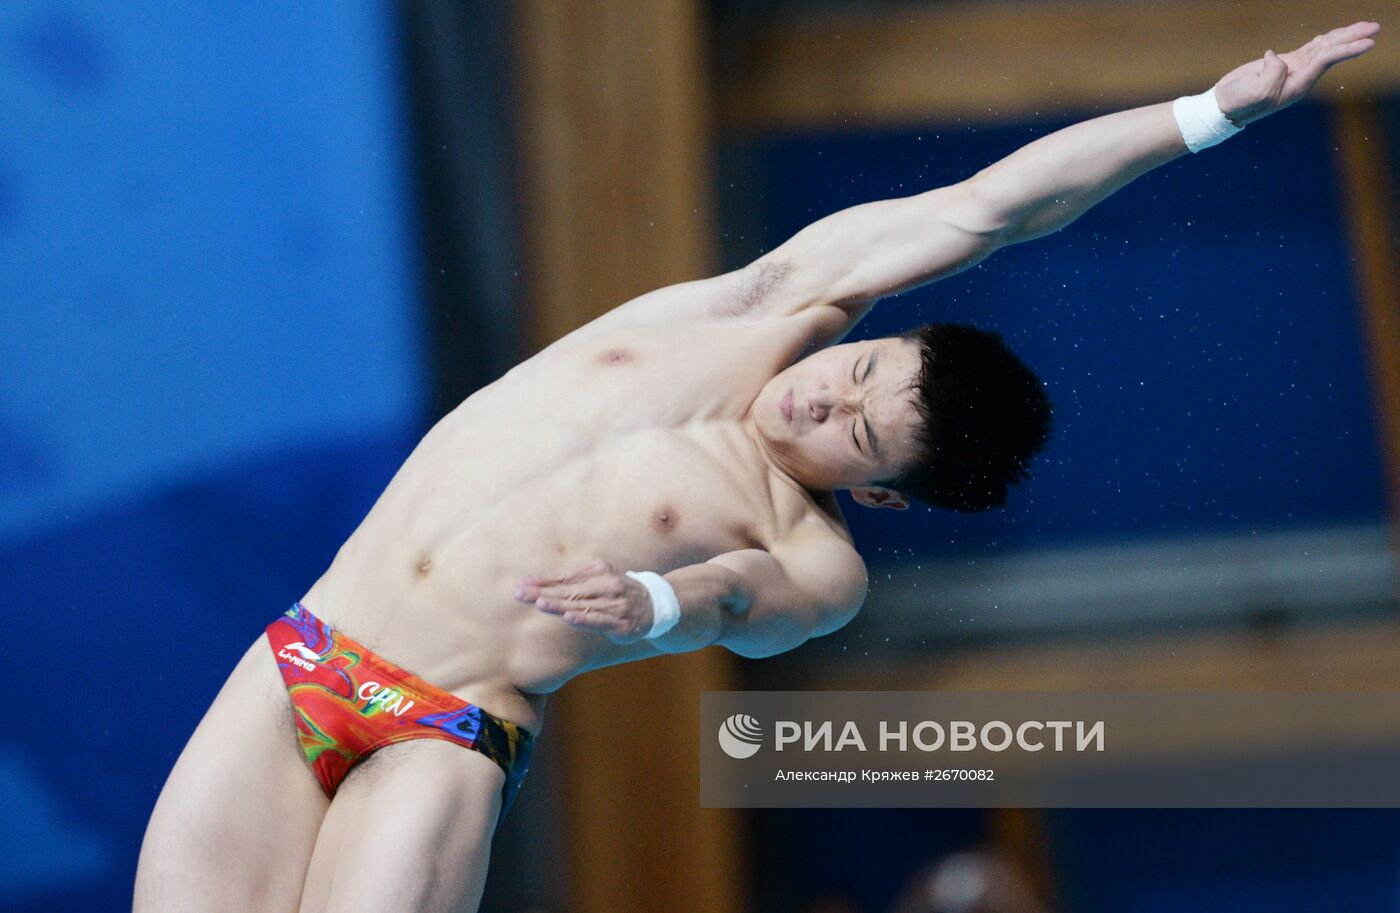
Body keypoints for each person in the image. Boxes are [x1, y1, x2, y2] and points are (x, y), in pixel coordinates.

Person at [134, 21, 1379, 913]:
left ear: (878, 490)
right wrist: (1208, 114)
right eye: (865, 366)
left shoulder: (812, 557)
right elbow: (999, 203)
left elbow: (735, 599)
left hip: (439, 734)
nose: (829, 392)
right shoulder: (764, 305)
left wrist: (656, 603)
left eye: (858, 431)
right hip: (305, 649)